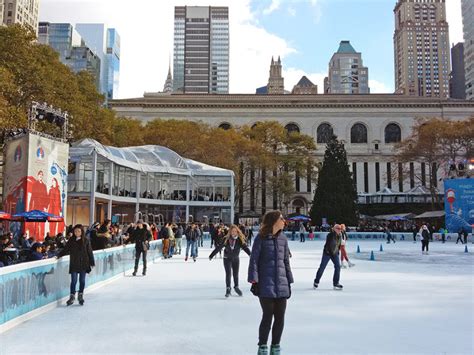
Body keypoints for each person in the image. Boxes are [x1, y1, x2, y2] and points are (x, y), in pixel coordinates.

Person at [248, 211, 293, 355]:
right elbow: (254, 260)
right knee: (267, 316)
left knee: (280, 317)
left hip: (282, 283)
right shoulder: (260, 239)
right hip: (265, 283)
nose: (284, 221)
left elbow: (286, 262)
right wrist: (254, 280)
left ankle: (275, 347)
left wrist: (289, 281)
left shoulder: (283, 239)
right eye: (281, 219)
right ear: (274, 221)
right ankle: (262, 346)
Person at [57, 224, 95, 306]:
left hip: (83, 262)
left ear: (82, 232)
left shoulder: (86, 240)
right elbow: (66, 249)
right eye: (75, 231)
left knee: (82, 280)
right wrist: (59, 255)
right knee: (73, 281)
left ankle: (80, 294)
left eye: (78, 231)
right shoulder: (71, 240)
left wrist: (92, 262)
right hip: (74, 263)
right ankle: (72, 296)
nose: (77, 233)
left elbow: (90, 251)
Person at [209, 225, 251, 297]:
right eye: (232, 231)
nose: (233, 233)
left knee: (235, 274)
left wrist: (251, 255)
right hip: (227, 259)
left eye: (235, 231)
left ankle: (236, 287)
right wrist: (212, 255)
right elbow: (219, 247)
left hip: (236, 259)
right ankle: (228, 288)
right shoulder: (226, 239)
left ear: (237, 232)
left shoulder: (239, 239)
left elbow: (245, 248)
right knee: (228, 274)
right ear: (230, 232)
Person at [313, 224, 343, 290]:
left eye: (340, 228)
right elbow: (329, 245)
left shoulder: (340, 235)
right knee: (322, 267)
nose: (339, 229)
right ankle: (316, 281)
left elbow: (339, 245)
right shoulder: (330, 235)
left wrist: (337, 252)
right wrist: (330, 252)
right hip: (327, 253)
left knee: (338, 266)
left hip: (335, 253)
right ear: (334, 229)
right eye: (338, 228)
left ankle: (336, 283)